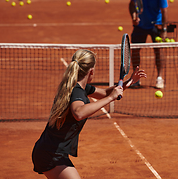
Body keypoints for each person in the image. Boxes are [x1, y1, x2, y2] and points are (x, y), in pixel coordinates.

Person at [32, 49, 146, 178]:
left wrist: (129, 82)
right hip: (51, 153)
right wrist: (110, 99)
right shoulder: (77, 91)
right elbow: (79, 113)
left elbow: (103, 93)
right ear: (91, 71)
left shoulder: (77, 86)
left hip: (51, 150)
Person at [128, 0, 168, 89]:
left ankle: (160, 78)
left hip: (155, 25)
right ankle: (136, 78)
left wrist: (164, 29)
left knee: (158, 51)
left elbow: (164, 10)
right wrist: (134, 16)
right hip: (140, 25)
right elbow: (131, 4)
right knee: (135, 51)